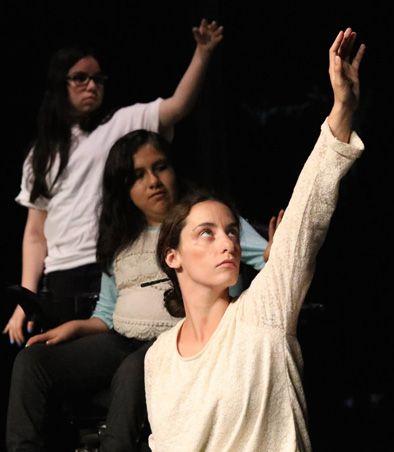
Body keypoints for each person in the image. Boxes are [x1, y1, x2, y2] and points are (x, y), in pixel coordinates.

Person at [144, 27, 366, 451]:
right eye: (206, 233)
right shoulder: (158, 358)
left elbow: (307, 215)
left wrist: (341, 109)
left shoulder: (263, 311)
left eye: (230, 231)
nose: (227, 243)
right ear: (173, 257)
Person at [6, 129, 277, 451]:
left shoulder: (209, 222)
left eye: (160, 167)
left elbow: (269, 262)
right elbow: (107, 313)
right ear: (124, 187)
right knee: (33, 362)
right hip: (120, 339)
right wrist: (76, 327)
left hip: (176, 341)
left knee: (135, 369)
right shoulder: (119, 238)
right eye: (138, 175)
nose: (153, 181)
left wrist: (274, 251)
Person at [3, 18, 224, 347]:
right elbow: (35, 234)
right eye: (80, 78)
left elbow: (178, 106)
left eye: (98, 79)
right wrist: (26, 297)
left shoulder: (120, 123)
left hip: (106, 268)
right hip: (61, 278)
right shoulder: (41, 154)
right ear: (60, 85)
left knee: (111, 358)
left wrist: (202, 53)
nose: (92, 86)